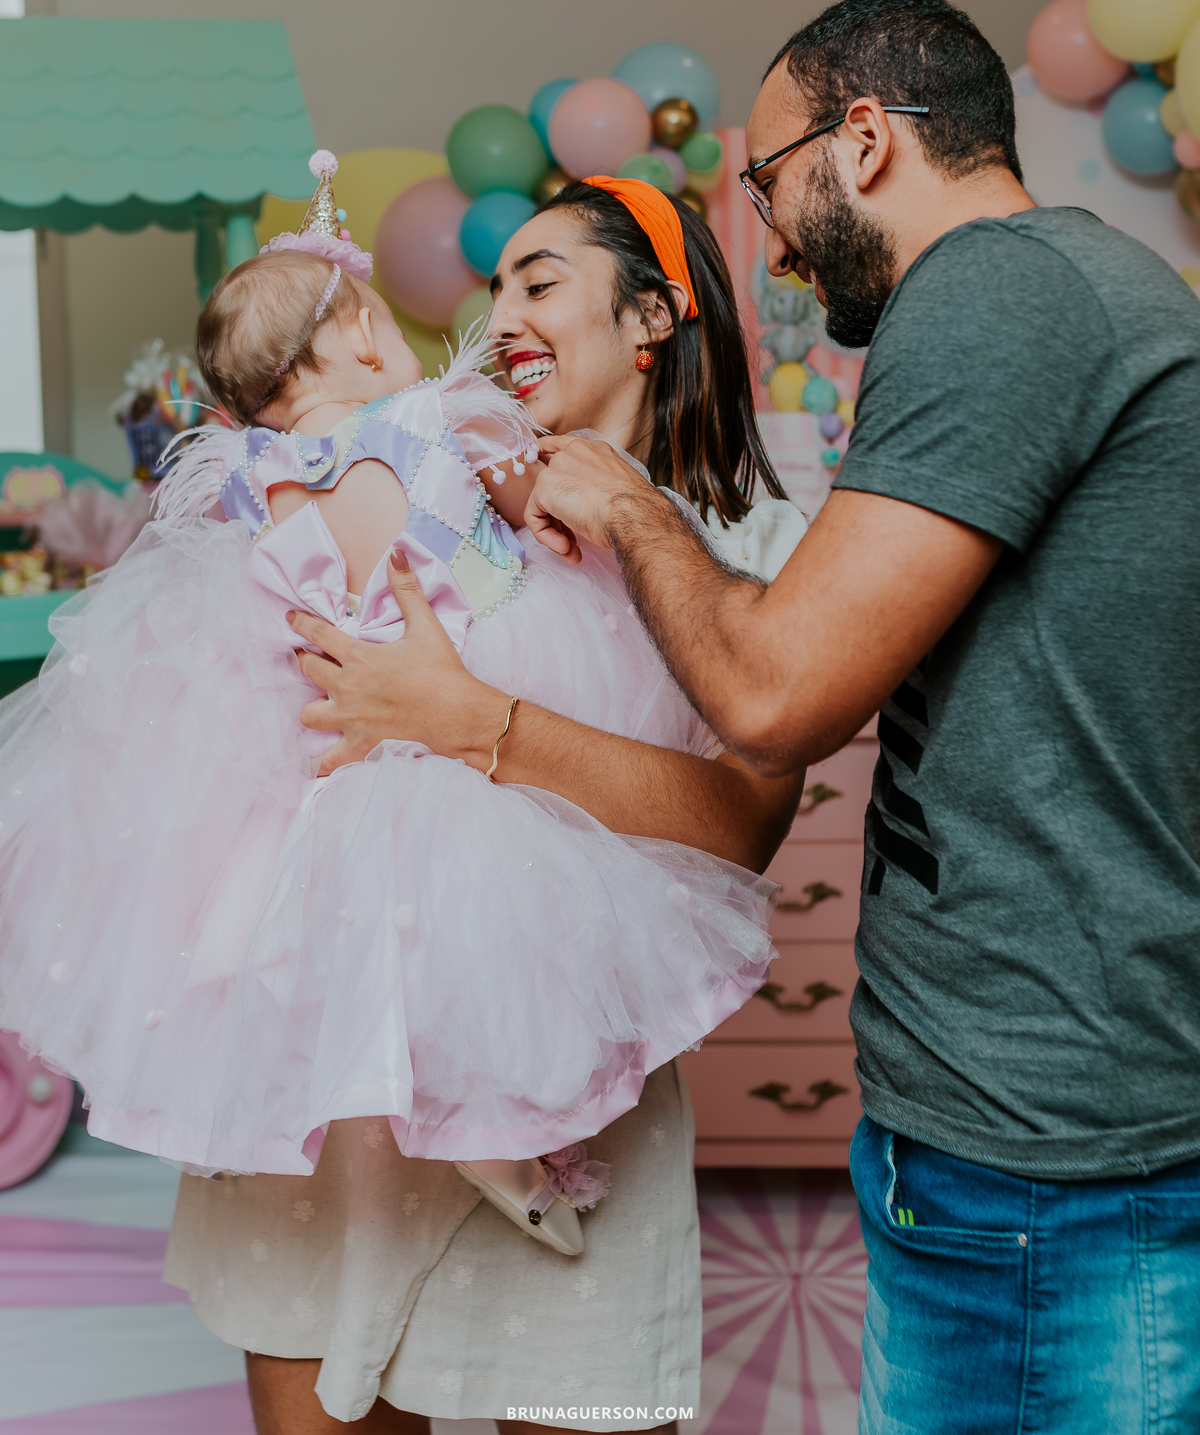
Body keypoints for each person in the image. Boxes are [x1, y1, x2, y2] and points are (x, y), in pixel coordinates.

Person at [502, 0, 1200, 1433]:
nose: (765, 230)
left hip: (1045, 1148)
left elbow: (772, 695)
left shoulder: (1001, 291)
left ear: (865, 141)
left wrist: (631, 509)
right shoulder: (1069, 290)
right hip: (1023, 1116)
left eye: (769, 181)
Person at [164, 173, 809, 1433]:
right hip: (324, 1104)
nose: (497, 308)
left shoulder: (752, 545)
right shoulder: (402, 465)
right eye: (494, 282)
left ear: (653, 317)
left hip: (565, 1110)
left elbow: (740, 827)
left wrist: (478, 724)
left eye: (540, 279)